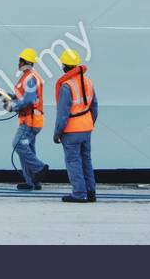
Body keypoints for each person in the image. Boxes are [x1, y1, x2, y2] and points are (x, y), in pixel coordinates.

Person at [52, 49, 97, 203]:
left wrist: (57, 132)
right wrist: (89, 123)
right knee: (86, 160)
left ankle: (79, 193)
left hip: (71, 130)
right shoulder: (88, 82)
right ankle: (91, 192)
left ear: (65, 66)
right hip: (86, 128)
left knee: (73, 162)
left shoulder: (67, 86)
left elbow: (63, 113)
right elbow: (94, 107)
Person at [8, 48, 48, 190]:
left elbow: (29, 100)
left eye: (20, 60)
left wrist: (12, 107)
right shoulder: (27, 76)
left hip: (30, 121)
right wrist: (8, 96)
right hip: (30, 120)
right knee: (28, 148)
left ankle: (39, 168)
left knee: (18, 145)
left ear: (25, 62)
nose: (18, 63)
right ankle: (32, 182)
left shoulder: (30, 78)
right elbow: (23, 96)